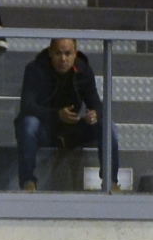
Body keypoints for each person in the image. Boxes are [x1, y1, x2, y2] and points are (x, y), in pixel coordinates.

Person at [15, 38, 119, 193]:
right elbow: (27, 106)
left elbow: (96, 104)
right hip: (46, 129)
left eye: (68, 53)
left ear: (75, 54)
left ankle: (110, 181)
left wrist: (94, 114)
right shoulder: (35, 69)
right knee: (28, 123)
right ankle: (27, 181)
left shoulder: (83, 70)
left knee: (108, 126)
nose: (63, 59)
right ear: (50, 53)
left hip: (73, 129)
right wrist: (57, 115)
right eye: (58, 53)